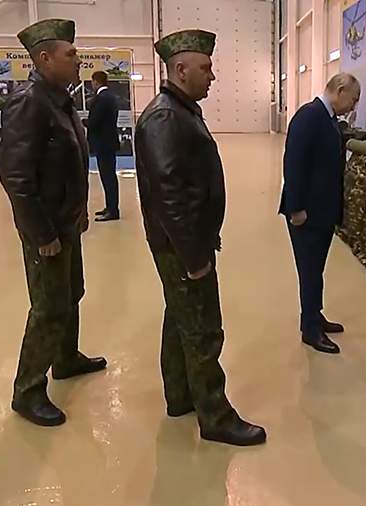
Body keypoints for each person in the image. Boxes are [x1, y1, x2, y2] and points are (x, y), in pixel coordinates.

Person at [134, 29, 267, 447]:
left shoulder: (179, 110)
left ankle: (180, 396)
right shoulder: (165, 118)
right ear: (180, 69)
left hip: (184, 242)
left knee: (180, 318)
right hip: (182, 246)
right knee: (204, 329)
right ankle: (215, 416)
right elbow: (169, 194)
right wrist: (194, 257)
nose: (213, 76)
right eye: (206, 68)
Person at [0, 18, 107, 427]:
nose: (79, 60)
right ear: (44, 58)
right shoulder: (29, 102)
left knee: (71, 292)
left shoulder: (59, 100)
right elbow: (17, 178)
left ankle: (65, 358)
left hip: (66, 221)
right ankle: (27, 391)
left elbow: (70, 162)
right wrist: (41, 233)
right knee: (48, 307)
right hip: (46, 228)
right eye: (71, 54)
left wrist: (78, 212)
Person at [279, 73, 361, 355]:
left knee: (316, 269)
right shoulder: (309, 117)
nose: (354, 106)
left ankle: (315, 315)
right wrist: (295, 208)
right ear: (340, 90)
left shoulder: (327, 119)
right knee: (310, 271)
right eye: (353, 99)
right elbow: (293, 164)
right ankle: (310, 329)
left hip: (321, 212)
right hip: (307, 213)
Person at [85, 70, 121, 222]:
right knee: (109, 177)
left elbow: (95, 121)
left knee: (108, 177)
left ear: (96, 81)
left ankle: (112, 210)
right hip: (108, 142)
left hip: (103, 143)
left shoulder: (102, 98)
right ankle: (110, 206)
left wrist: (83, 122)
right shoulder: (111, 97)